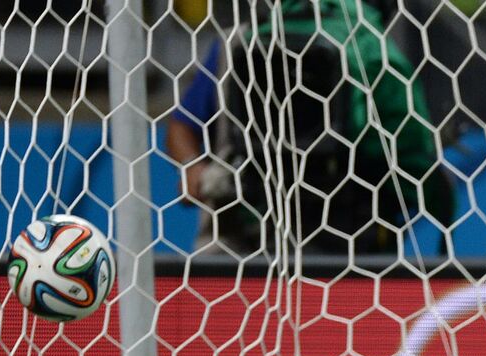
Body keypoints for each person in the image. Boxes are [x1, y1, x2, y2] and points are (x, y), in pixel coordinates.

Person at [165, 0, 453, 256]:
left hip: (235, 248)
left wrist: (192, 166)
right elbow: (414, 161)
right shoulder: (375, 52)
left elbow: (181, 125)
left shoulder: (235, 44)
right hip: (353, 252)